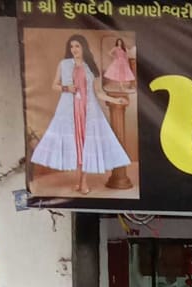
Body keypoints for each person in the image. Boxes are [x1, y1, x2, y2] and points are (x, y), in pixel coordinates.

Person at [30, 35, 130, 196]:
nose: (74, 49)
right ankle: (80, 181)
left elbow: (98, 93)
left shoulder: (90, 67)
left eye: (77, 46)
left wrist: (114, 99)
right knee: (75, 144)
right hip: (69, 111)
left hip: (88, 111)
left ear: (83, 47)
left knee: (85, 145)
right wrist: (66, 88)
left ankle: (83, 182)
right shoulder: (64, 64)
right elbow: (54, 85)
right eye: (71, 46)